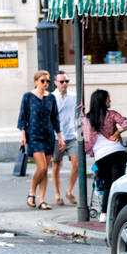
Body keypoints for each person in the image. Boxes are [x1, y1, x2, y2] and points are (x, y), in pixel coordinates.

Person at [17, 69, 63, 210]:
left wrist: (60, 138)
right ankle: (32, 192)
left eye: (48, 81)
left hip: (48, 136)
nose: (46, 83)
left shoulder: (51, 98)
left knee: (45, 170)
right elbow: (23, 117)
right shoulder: (28, 97)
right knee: (42, 167)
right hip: (34, 135)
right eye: (43, 81)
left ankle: (42, 200)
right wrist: (23, 135)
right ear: (36, 81)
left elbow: (55, 118)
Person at [83, 88, 127, 218]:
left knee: (108, 184)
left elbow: (87, 142)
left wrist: (93, 153)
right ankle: (118, 212)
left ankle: (104, 213)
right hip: (117, 152)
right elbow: (126, 124)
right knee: (118, 183)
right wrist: (117, 132)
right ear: (103, 101)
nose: (110, 101)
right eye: (108, 98)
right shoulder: (111, 114)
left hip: (101, 156)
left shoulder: (87, 118)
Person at [50, 71, 80, 206]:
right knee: (56, 164)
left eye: (66, 81)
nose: (64, 84)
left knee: (77, 163)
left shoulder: (73, 96)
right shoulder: (51, 97)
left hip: (71, 135)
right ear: (55, 83)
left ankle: (69, 192)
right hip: (56, 136)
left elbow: (78, 115)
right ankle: (57, 195)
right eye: (61, 82)